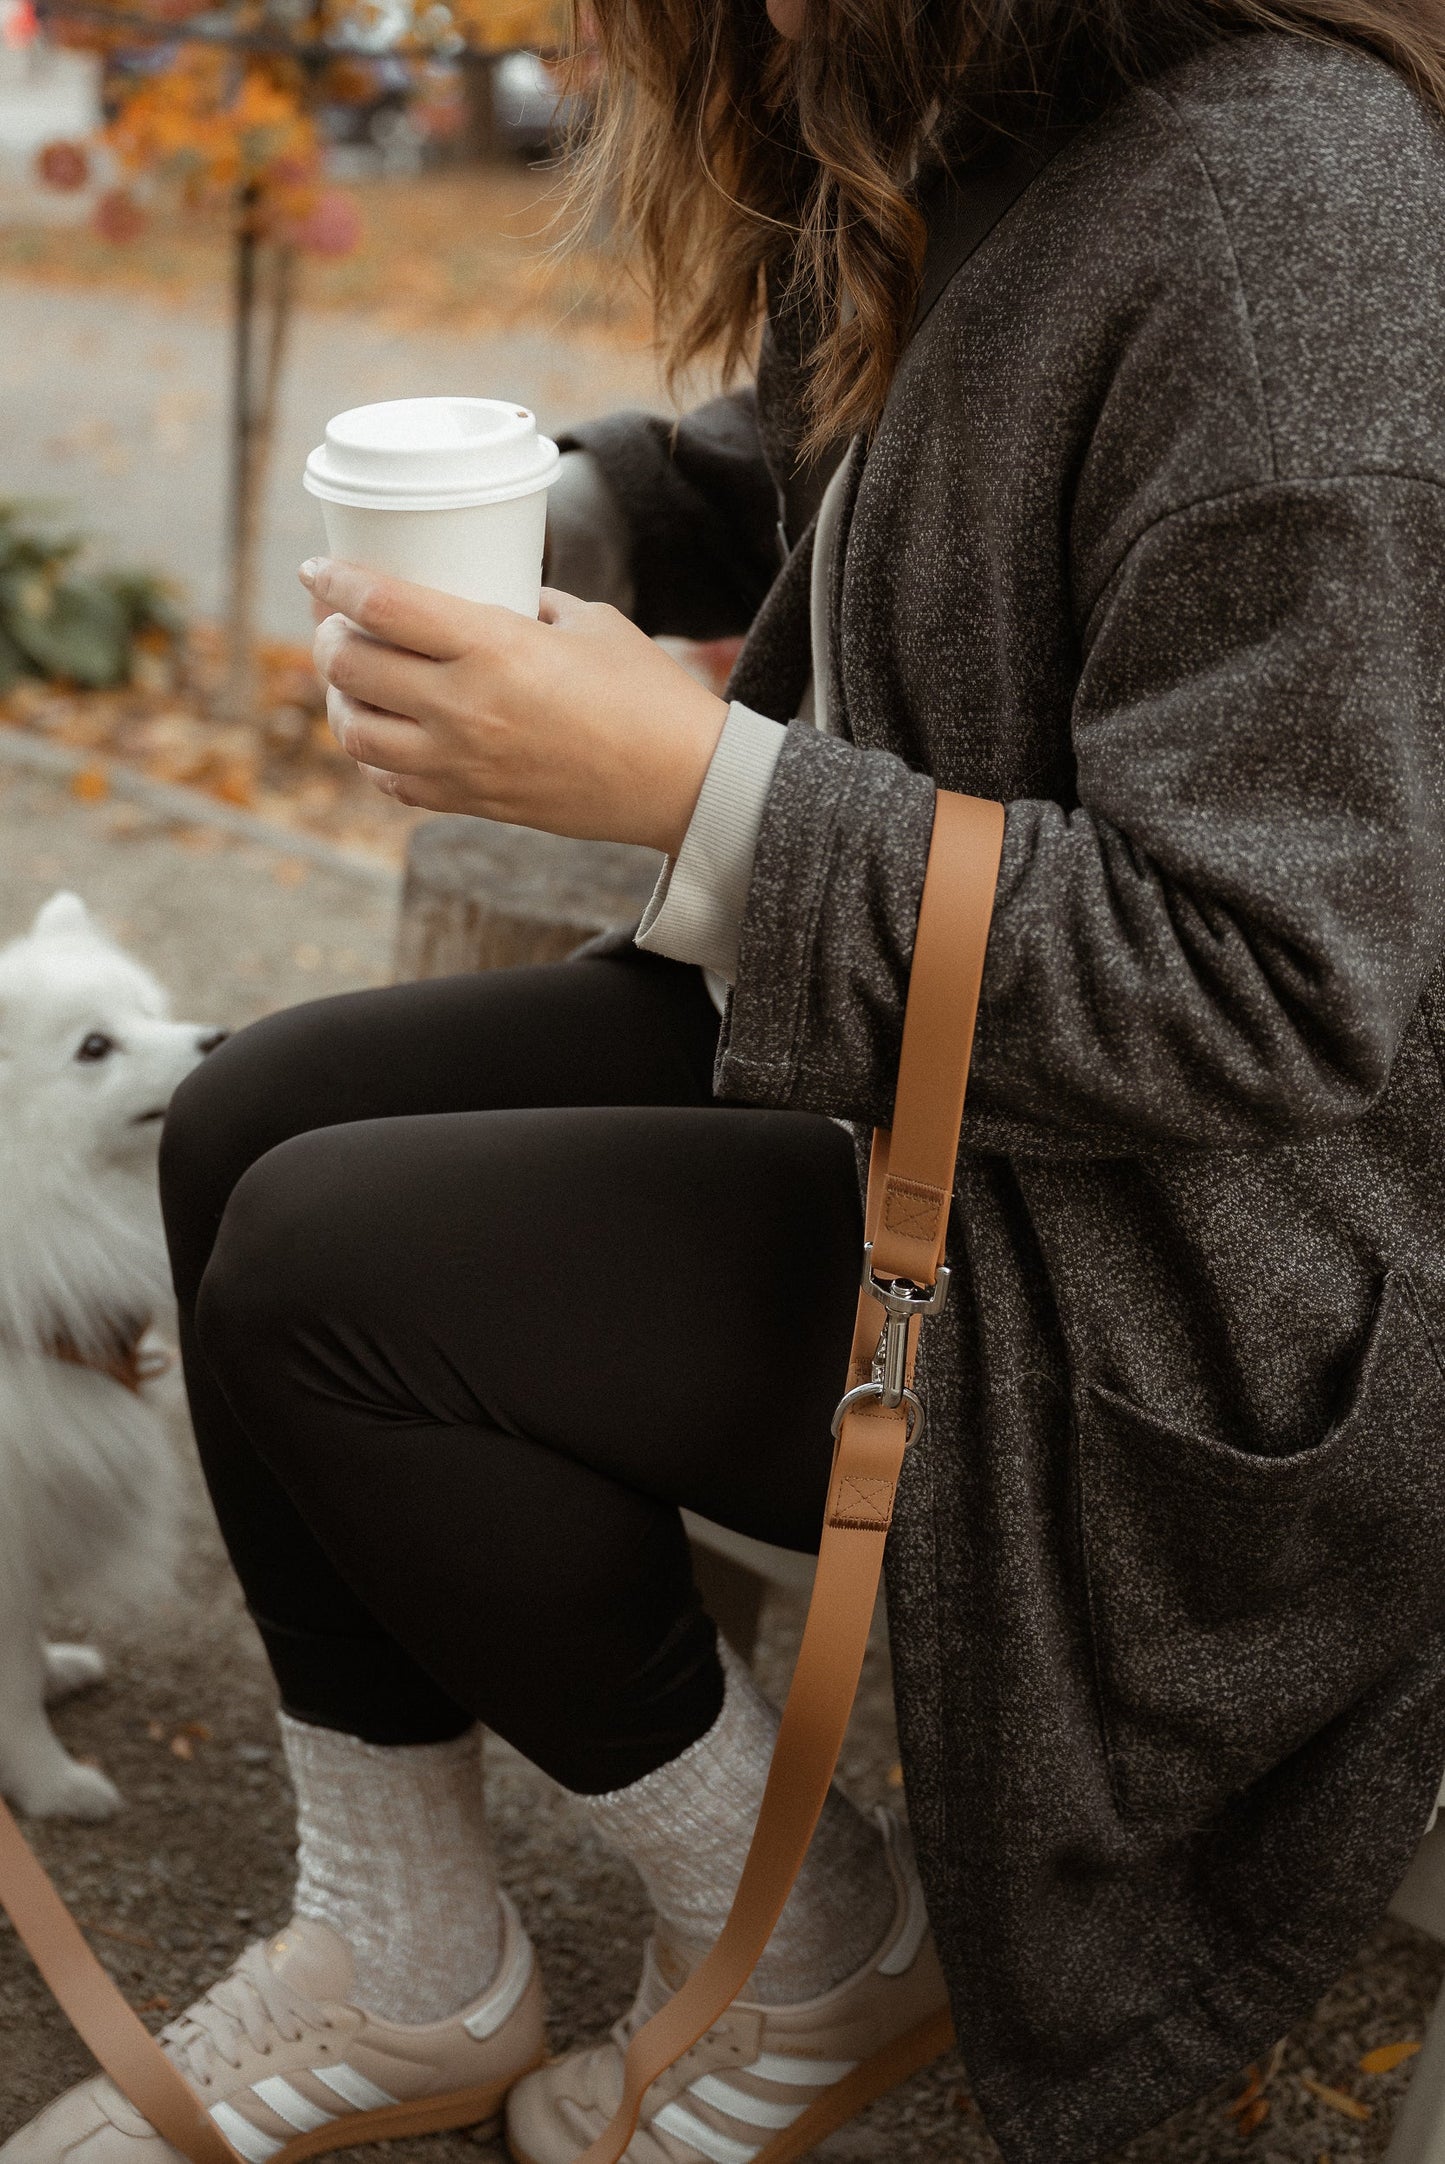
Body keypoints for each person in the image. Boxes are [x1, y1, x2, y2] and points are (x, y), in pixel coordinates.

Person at [10, 1, 1445, 2160]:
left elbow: (1261, 988)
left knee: (334, 1270)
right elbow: (874, 458)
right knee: (247, 1124)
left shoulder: (1296, 222)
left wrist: (703, 784)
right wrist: (588, 511)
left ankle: (819, 1948)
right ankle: (409, 1950)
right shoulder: (969, 108)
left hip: (1183, 1290)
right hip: (933, 1087)